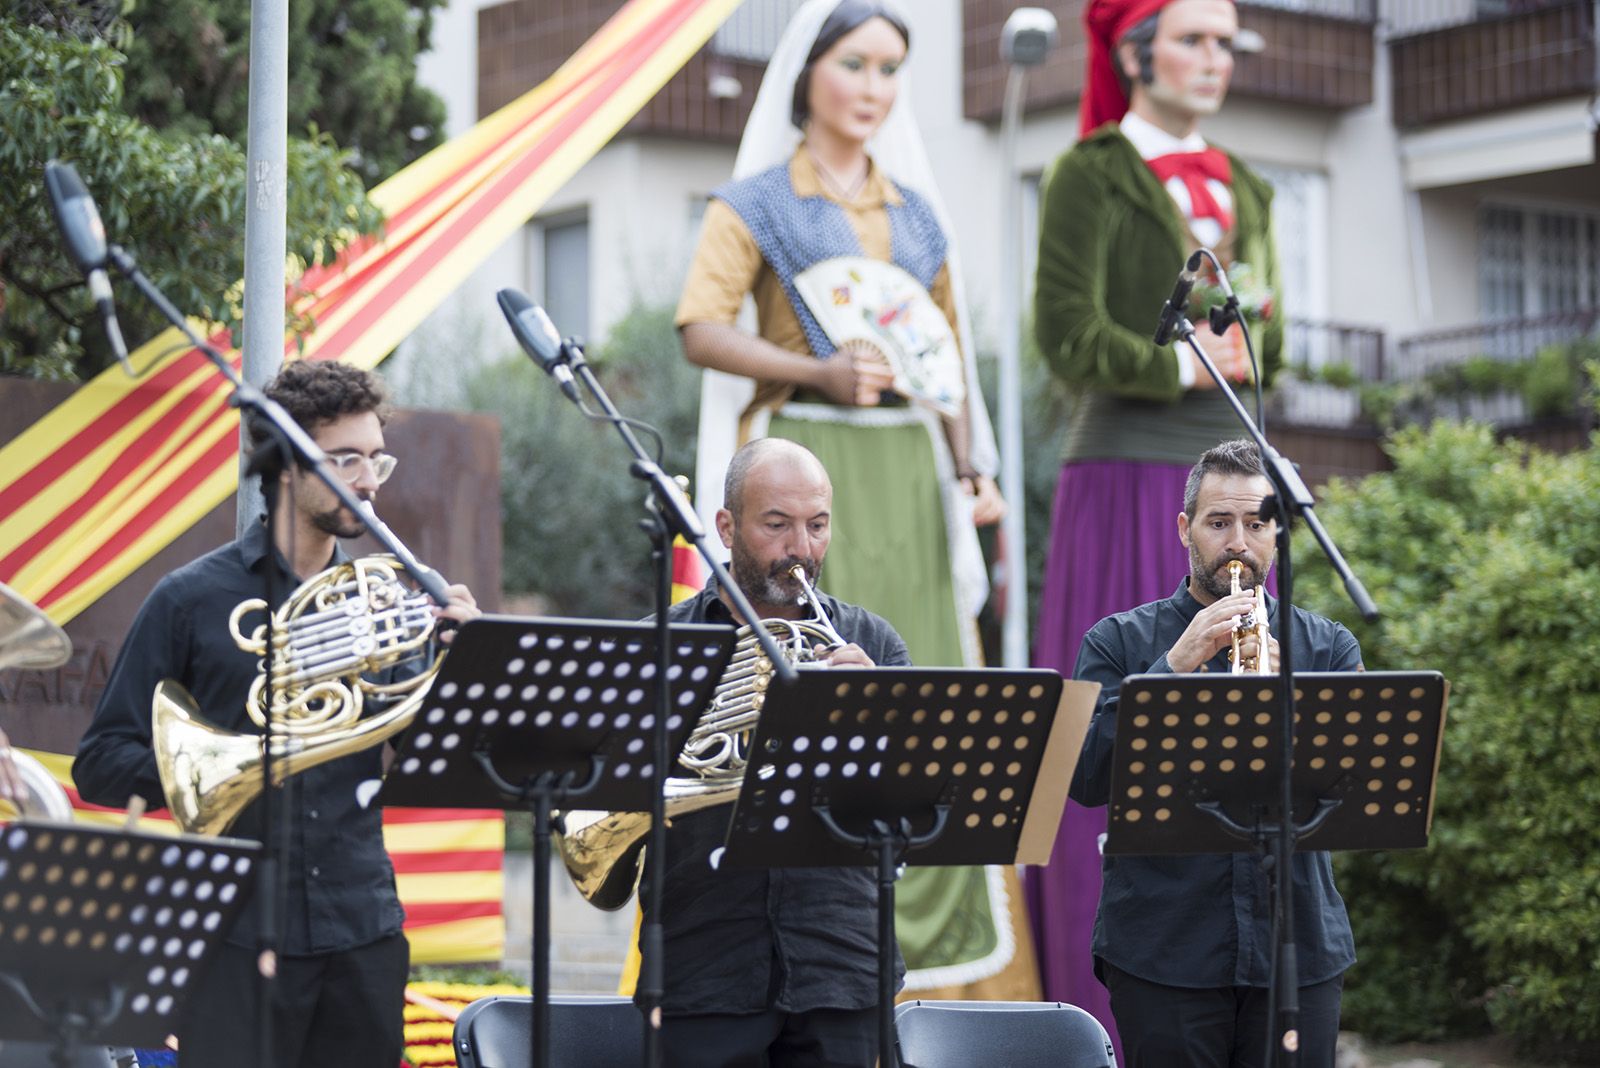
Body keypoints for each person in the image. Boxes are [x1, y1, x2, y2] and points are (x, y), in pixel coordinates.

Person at [678, 0, 1034, 999]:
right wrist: (823, 373)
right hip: (806, 452)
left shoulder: (919, 214)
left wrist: (974, 472)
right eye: (855, 64)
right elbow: (700, 327)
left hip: (912, 473)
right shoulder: (752, 200)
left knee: (904, 668)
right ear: (808, 76)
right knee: (791, 667)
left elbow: (946, 358)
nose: (873, 88)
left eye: (890, 70)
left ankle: (938, 959)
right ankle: (789, 907)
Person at [73, 360, 479, 1068]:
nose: (369, 479)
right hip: (234, 934)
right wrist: (224, 766)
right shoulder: (191, 599)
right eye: (345, 458)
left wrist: (468, 668)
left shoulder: (394, 596)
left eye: (376, 456)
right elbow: (101, 763)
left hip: (363, 929)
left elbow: (435, 755)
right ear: (288, 464)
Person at [1026, 0, 1288, 1032]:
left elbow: (1279, 339)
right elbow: (1064, 332)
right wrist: (1183, 361)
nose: (1214, 59)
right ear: (1135, 52)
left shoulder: (1251, 185)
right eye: (1193, 38)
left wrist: (1253, 349)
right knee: (1125, 736)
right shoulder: (1087, 171)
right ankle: (1100, 1010)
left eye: (1226, 42)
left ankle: (1238, 983)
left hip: (1238, 472)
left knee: (1243, 739)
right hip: (1128, 474)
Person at [1069, 439, 1360, 1067]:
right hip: (1163, 951)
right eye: (1219, 523)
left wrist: (1293, 704)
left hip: (1298, 947)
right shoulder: (1119, 640)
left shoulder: (1327, 647)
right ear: (1185, 529)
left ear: (1278, 534)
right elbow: (1085, 776)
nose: (1238, 544)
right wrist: (1174, 668)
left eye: (1256, 524)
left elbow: (1354, 791)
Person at [645, 437, 908, 1067]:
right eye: (777, 526)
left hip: (841, 961)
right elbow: (624, 789)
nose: (801, 549)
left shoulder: (872, 641)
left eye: (817, 526)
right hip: (706, 963)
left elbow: (910, 818)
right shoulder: (666, 643)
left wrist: (870, 717)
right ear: (727, 527)